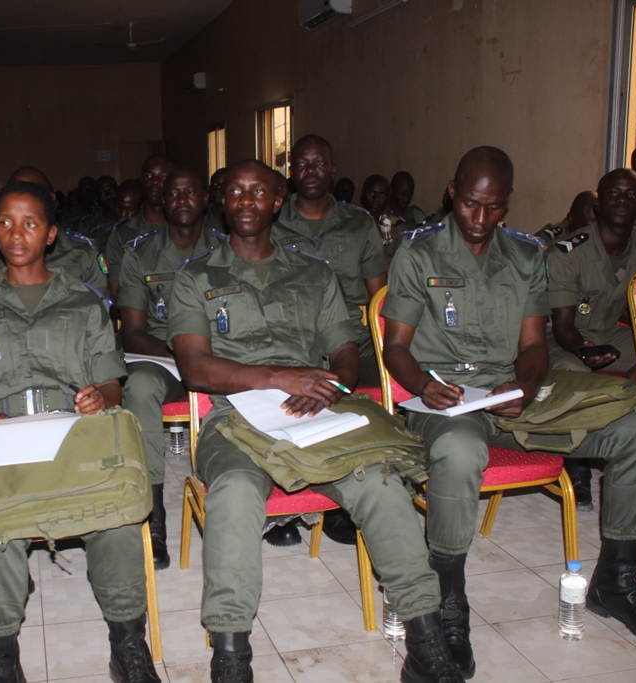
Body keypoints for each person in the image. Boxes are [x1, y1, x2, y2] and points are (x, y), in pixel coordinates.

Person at [167, 160, 460, 683]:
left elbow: (346, 353)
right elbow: (194, 367)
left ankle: (425, 640)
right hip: (234, 418)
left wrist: (334, 389)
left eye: (259, 192)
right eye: (236, 192)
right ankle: (231, 655)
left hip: (316, 411)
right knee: (234, 491)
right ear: (223, 202)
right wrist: (282, 377)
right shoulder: (195, 277)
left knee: (382, 484)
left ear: (278, 199)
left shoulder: (314, 273)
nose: (247, 201)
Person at [383, 147, 636, 676]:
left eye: (493, 207)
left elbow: (535, 344)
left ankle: (616, 581)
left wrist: (528, 385)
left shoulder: (527, 255)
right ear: (451, 192)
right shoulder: (417, 253)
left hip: (510, 394)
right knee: (462, 448)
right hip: (442, 397)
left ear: (507, 204)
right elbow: (395, 344)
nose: (480, 219)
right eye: (469, 204)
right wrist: (423, 383)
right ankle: (448, 603)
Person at [0, 181, 159, 683]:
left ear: (52, 234)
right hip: (4, 430)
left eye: (31, 223)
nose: (17, 234)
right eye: (5, 223)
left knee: (117, 514)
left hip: (75, 429)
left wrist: (102, 397)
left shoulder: (83, 301)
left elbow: (111, 380)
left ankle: (127, 643)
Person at [118, 168, 225, 570]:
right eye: (173, 194)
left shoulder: (228, 249)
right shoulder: (140, 255)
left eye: (190, 192)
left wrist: (206, 357)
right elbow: (131, 333)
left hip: (219, 360)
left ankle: (272, 502)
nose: (181, 200)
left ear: (205, 199)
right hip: (162, 362)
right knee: (140, 385)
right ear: (162, 201)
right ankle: (154, 516)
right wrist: (183, 352)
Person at [273, 135, 386, 388]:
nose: (310, 171)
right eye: (302, 164)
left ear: (333, 168)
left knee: (402, 366)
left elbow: (379, 297)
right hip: (291, 336)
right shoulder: (271, 223)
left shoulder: (359, 224)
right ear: (291, 171)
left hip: (352, 336)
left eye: (319, 163)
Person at [546, 170, 636, 379]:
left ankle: (627, 398)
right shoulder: (566, 255)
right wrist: (583, 349)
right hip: (560, 338)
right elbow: (562, 326)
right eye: (613, 193)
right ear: (598, 204)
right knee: (574, 372)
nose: (622, 200)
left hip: (609, 333)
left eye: (631, 195)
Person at [0, 166, 107, 292]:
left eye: (35, 193)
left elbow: (98, 310)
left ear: (52, 199)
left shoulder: (84, 254)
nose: (24, 200)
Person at [106, 156, 174, 301]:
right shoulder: (122, 233)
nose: (155, 182)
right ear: (142, 181)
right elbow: (116, 291)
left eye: (163, 176)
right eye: (149, 176)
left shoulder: (185, 230)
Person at [385, 171, 428, 258]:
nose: (406, 198)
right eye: (402, 194)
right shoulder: (383, 218)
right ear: (391, 191)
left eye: (409, 195)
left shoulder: (417, 215)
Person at [204, 168, 227, 234]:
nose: (218, 187)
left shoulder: (242, 218)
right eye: (215, 184)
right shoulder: (200, 219)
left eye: (224, 184)